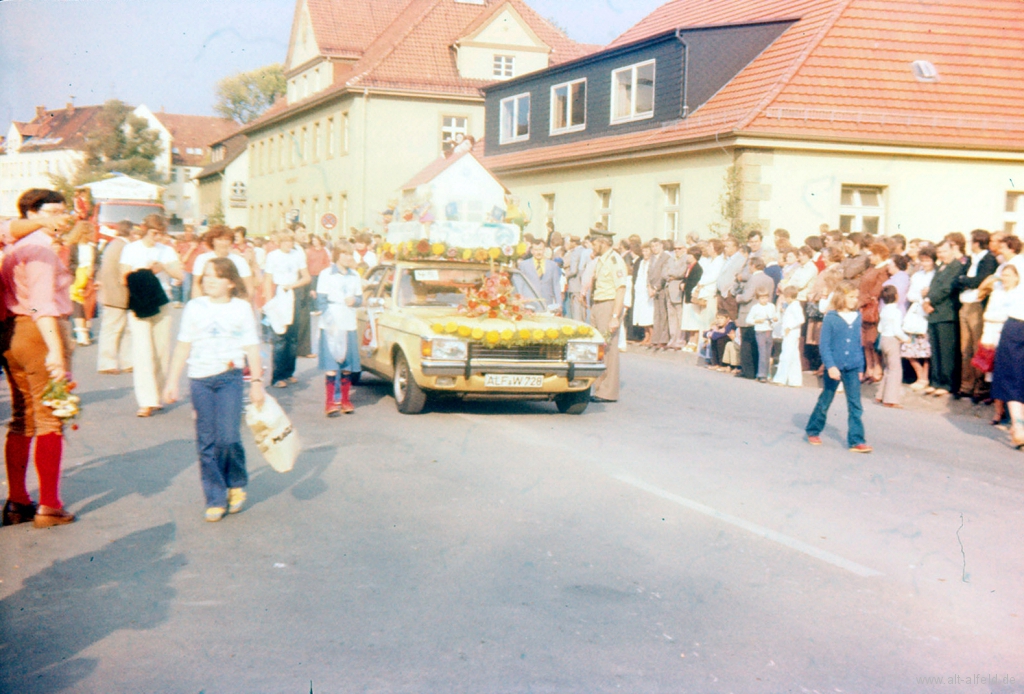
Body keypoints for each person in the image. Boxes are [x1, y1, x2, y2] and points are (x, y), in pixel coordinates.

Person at [164, 257, 265, 522]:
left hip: (229, 378)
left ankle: (236, 481)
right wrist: (172, 381)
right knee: (206, 441)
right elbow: (183, 346)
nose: (208, 280)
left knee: (228, 437)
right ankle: (215, 497)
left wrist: (256, 383)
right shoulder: (194, 307)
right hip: (200, 380)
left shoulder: (241, 309)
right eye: (206, 275)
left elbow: (252, 347)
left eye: (216, 276)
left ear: (231, 282)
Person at [1, 189, 76, 527]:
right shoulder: (40, 250)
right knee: (50, 418)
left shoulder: (13, 248)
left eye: (64, 210)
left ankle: (17, 501)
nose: (62, 217)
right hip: (38, 332)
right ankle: (49, 504)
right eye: (53, 211)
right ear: (30, 214)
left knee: (22, 417)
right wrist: (57, 354)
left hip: (12, 333)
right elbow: (41, 305)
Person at [119, 214, 183, 417]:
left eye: (161, 233)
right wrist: (146, 273)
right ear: (145, 229)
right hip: (139, 302)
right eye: (154, 232)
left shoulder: (167, 250)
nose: (157, 237)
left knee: (161, 350)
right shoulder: (131, 248)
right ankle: (146, 401)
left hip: (162, 301)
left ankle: (158, 394)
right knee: (142, 350)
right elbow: (123, 277)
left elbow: (180, 275)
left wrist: (164, 266)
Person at [805, 281, 872, 453]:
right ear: (841, 297)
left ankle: (856, 440)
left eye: (855, 297)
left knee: (855, 404)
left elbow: (859, 344)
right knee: (826, 399)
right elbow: (824, 345)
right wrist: (830, 366)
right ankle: (813, 430)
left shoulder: (857, 316)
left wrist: (860, 367)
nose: (854, 300)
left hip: (853, 366)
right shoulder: (831, 317)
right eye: (851, 297)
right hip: (834, 366)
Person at [316, 243, 363, 416]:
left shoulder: (355, 276)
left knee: (347, 366)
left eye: (350, 254)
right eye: (344, 253)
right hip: (331, 324)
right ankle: (330, 402)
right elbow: (321, 300)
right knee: (331, 365)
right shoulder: (326, 274)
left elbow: (360, 298)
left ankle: (345, 400)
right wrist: (328, 319)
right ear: (337, 255)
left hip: (348, 322)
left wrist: (355, 302)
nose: (347, 257)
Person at [263, 230, 311, 388]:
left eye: (290, 241)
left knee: (292, 336)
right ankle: (277, 377)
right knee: (279, 336)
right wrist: (270, 302)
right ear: (279, 243)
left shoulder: (297, 255)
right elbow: (268, 279)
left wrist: (293, 285)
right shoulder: (273, 256)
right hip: (279, 294)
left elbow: (306, 277)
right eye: (285, 242)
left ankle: (289, 373)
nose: (288, 245)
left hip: (293, 294)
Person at [955, 229, 998, 402]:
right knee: (965, 348)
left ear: (977, 242)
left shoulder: (989, 259)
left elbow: (978, 280)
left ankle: (980, 387)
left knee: (976, 347)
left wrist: (964, 280)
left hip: (977, 306)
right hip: (965, 303)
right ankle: (966, 385)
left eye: (971, 241)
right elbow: (958, 279)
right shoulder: (971, 259)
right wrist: (964, 281)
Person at [588, 226, 628, 402]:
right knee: (596, 347)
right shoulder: (601, 260)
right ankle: (598, 387)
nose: (592, 246)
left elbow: (620, 289)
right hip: (598, 304)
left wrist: (614, 317)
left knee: (608, 349)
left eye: (594, 243)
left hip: (608, 305)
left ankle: (607, 392)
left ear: (602, 243)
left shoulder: (614, 261)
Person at [923, 240, 967, 397]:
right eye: (939, 252)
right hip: (935, 313)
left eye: (944, 251)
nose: (941, 254)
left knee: (946, 351)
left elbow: (946, 288)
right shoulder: (941, 267)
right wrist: (927, 300)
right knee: (935, 350)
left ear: (952, 250)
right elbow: (933, 287)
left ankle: (947, 383)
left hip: (947, 314)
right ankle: (935, 381)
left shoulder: (956, 267)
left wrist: (929, 300)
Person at [981, 265, 1017, 426]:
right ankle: (998, 412)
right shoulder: (997, 293)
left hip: (1013, 335)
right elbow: (987, 314)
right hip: (994, 334)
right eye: (1003, 275)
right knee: (995, 373)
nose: (1005, 278)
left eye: (1009, 275)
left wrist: (1000, 317)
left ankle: (1013, 414)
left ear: (1016, 277)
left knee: (1012, 373)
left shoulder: (1018, 294)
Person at [95, 220, 134, 374]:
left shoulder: (113, 245)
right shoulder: (125, 247)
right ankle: (108, 363)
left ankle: (124, 362)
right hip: (118, 294)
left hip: (112, 293)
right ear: (131, 232)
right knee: (115, 330)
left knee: (119, 329)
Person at [903, 246, 936, 390]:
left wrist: (925, 296)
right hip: (915, 312)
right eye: (922, 260)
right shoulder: (917, 275)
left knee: (926, 350)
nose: (924, 263)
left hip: (927, 313)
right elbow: (910, 295)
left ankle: (925, 378)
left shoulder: (935, 275)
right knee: (909, 348)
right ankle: (920, 375)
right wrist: (921, 296)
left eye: (927, 260)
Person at [735, 257, 774, 379]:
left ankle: (748, 371)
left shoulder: (753, 279)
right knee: (758, 344)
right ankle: (758, 370)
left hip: (749, 313)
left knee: (746, 343)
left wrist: (738, 297)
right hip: (763, 315)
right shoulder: (769, 279)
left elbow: (747, 297)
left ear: (753, 266)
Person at [191, 226, 254, 299]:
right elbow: (196, 284)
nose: (223, 243)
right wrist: (198, 304)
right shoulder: (202, 259)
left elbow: (248, 287)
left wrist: (243, 304)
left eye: (227, 240)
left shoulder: (239, 261)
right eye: (219, 239)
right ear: (212, 241)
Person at [858, 243, 891, 382]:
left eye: (872, 254)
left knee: (872, 340)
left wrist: (860, 302)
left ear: (879, 255)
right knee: (864, 341)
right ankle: (869, 368)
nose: (870, 257)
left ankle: (878, 368)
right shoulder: (871, 268)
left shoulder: (883, 270)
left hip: (872, 309)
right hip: (862, 307)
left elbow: (876, 291)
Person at [875, 285, 910, 407]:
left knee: (887, 368)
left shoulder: (883, 311)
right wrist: (906, 339)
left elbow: (880, 328)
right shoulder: (896, 312)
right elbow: (897, 331)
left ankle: (880, 395)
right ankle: (890, 399)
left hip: (884, 339)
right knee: (895, 369)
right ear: (896, 296)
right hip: (892, 340)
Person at [518, 240, 562, 312]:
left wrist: (559, 304)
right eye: (536, 250)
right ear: (532, 251)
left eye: (540, 250)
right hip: (530, 303)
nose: (538, 252)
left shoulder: (552, 265)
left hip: (547, 302)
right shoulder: (524, 265)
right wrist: (520, 301)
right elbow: (520, 285)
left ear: (544, 250)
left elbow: (556, 285)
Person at [772, 286, 804, 387]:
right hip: (789, 334)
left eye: (786, 297)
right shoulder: (790, 306)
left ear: (790, 296)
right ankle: (795, 381)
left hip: (791, 334)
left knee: (785, 356)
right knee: (793, 357)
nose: (785, 299)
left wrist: (789, 327)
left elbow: (801, 319)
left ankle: (781, 379)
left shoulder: (795, 306)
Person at [746, 287, 778, 382]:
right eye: (762, 298)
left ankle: (767, 373)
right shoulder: (755, 308)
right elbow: (748, 320)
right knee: (762, 352)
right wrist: (757, 321)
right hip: (760, 331)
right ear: (758, 298)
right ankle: (761, 374)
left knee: (768, 353)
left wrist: (774, 319)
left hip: (769, 330)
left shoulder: (771, 306)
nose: (764, 300)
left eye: (766, 298)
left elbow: (775, 317)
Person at [678, 246, 705, 350]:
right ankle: (690, 340)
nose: (687, 257)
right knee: (688, 320)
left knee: (694, 320)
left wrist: (686, 286)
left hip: (692, 297)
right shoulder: (689, 267)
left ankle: (694, 341)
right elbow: (686, 279)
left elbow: (694, 281)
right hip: (687, 296)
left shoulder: (698, 268)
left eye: (689, 255)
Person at [647, 238, 672, 349]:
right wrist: (648, 287)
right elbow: (648, 273)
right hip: (652, 289)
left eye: (656, 246)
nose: (654, 248)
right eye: (652, 246)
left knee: (663, 315)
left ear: (661, 246)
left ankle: (663, 339)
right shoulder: (651, 258)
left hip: (661, 289)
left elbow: (664, 275)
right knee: (656, 315)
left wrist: (656, 288)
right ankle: (655, 338)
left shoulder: (666, 258)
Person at [564, 236, 592, 322]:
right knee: (583, 311)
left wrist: (565, 275)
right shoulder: (585, 250)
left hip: (575, 284)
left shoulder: (575, 253)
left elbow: (574, 270)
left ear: (573, 243)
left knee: (576, 311)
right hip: (585, 284)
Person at [631, 244, 654, 344]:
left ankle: (652, 336)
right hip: (640, 291)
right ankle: (646, 335)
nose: (645, 253)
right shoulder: (641, 263)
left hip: (647, 291)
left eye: (647, 251)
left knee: (648, 314)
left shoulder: (652, 262)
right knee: (641, 314)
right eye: (643, 251)